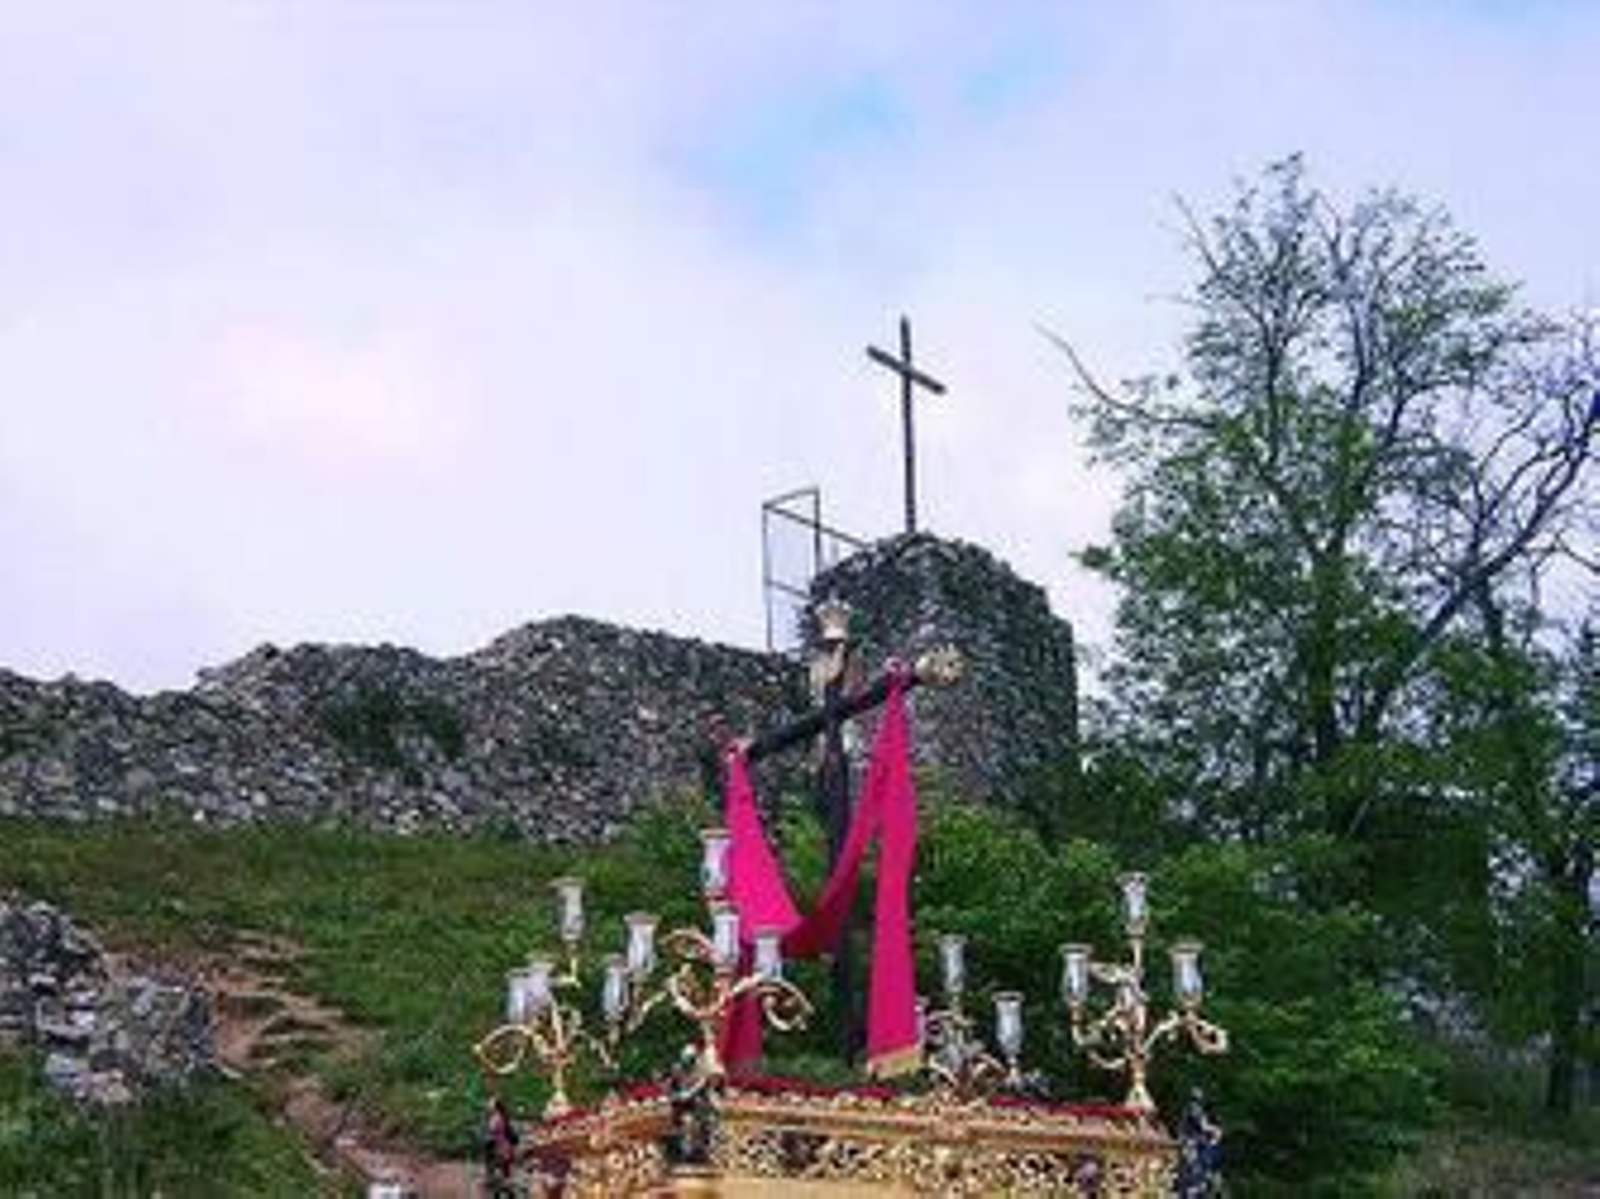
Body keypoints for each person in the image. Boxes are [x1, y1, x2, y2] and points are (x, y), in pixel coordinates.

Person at [1175, 1087, 1223, 1197]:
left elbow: (1203, 1126)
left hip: (1191, 1142)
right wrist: (1216, 1130)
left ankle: (1204, 1180)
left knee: (1204, 1159)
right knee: (1200, 1161)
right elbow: (1204, 1126)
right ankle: (1201, 1181)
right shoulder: (1194, 1109)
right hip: (1192, 1142)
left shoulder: (1191, 1109)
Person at [483, 1094, 520, 1197]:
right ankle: (507, 1194)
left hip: (499, 1148)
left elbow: (493, 1134)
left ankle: (507, 1194)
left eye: (490, 1103)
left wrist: (488, 1139)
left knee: (499, 1174)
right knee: (503, 1174)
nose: (488, 1105)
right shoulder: (500, 1117)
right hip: (503, 1148)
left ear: (495, 1106)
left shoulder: (497, 1118)